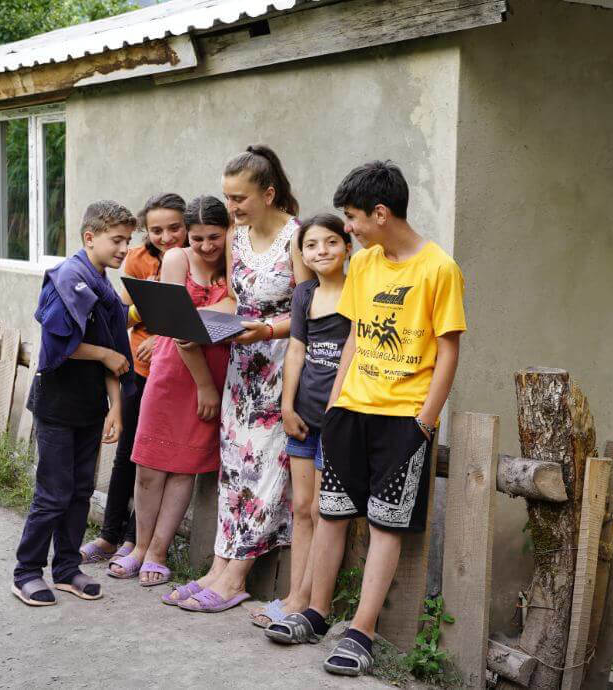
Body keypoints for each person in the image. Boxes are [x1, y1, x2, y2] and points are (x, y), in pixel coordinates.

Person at [265, 161, 466, 678]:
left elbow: (448, 352)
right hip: (350, 410)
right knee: (332, 513)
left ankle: (362, 631)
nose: (347, 228)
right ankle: (314, 610)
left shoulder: (439, 269)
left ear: (381, 213)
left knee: (384, 524)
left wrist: (424, 421)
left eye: (352, 219)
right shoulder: (367, 264)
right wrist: (334, 404)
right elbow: (355, 336)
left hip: (402, 417)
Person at [169, 144, 310, 613]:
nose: (231, 208)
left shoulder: (298, 237)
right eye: (228, 198)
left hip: (280, 367)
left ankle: (236, 578)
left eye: (239, 199)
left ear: (268, 194)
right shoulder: (235, 238)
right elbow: (236, 299)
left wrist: (266, 329)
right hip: (241, 368)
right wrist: (202, 322)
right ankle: (216, 567)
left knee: (267, 470)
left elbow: (314, 313)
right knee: (235, 469)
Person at [12, 200, 138, 607]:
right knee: (53, 493)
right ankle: (27, 572)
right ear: (90, 237)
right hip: (57, 402)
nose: (124, 249)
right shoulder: (68, 278)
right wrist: (103, 355)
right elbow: (60, 345)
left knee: (81, 490)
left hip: (91, 404)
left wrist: (116, 407)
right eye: (117, 240)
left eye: (128, 241)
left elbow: (116, 353)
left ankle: (66, 568)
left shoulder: (103, 285)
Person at [109, 196, 231, 588]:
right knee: (148, 465)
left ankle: (158, 553)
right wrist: (206, 387)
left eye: (215, 237)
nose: (207, 246)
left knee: (182, 470)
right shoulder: (178, 259)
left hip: (212, 373)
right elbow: (179, 328)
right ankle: (139, 547)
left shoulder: (236, 265)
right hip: (176, 373)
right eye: (198, 238)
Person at [250, 214, 352, 628]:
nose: (321, 251)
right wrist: (287, 407)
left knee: (327, 510)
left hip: (338, 420)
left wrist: (339, 407)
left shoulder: (358, 292)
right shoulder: (305, 293)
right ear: (302, 253)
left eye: (331, 242)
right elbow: (295, 352)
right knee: (304, 507)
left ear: (348, 246)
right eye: (311, 245)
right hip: (303, 418)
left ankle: (309, 604)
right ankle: (295, 596)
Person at [80, 193, 188, 565]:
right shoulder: (139, 257)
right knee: (128, 452)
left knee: (156, 459)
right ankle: (110, 535)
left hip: (176, 369)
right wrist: (143, 313)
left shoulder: (193, 257)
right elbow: (123, 309)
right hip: (138, 368)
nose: (166, 236)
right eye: (156, 230)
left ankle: (133, 539)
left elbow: (192, 311)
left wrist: (161, 331)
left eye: (175, 227)